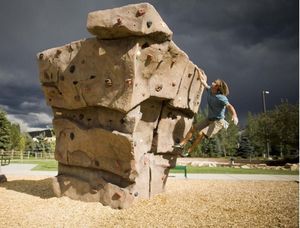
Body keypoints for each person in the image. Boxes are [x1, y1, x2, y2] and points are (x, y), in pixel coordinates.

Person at [173, 71, 238, 157]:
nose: (212, 83)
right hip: (209, 118)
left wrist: (234, 115)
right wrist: (197, 70)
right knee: (193, 128)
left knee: (201, 134)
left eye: (214, 83)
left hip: (218, 122)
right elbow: (203, 81)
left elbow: (229, 106)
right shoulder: (210, 90)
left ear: (218, 86)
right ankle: (182, 144)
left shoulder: (221, 98)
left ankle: (188, 151)